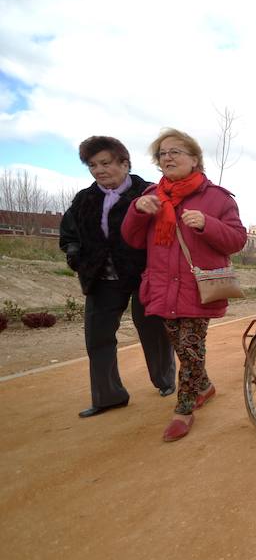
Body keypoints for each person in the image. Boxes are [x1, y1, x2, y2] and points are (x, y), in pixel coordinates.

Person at [122, 128, 247, 442]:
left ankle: (184, 410)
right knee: (181, 346)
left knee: (190, 350)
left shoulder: (217, 198)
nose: (167, 158)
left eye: (175, 151)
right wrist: (137, 211)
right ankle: (204, 386)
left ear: (194, 158)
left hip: (198, 288)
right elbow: (131, 239)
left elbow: (237, 240)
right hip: (162, 287)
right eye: (162, 153)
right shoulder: (151, 196)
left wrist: (207, 224)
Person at [60, 136, 176, 418]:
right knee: (97, 337)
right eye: (93, 165)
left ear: (125, 164)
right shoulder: (84, 199)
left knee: (153, 331)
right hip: (102, 277)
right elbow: (69, 233)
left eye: (105, 163)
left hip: (143, 275)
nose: (99, 170)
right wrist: (75, 255)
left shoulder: (149, 192)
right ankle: (109, 396)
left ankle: (164, 379)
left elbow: (167, 230)